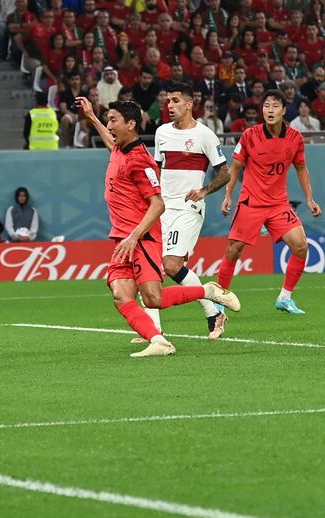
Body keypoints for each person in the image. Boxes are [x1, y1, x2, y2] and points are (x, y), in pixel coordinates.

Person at [75, 95, 241, 357]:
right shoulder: (121, 149)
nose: (109, 126)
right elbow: (112, 145)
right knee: (121, 294)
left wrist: (134, 237)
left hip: (142, 239)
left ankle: (208, 291)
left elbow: (157, 204)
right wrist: (91, 117)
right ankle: (158, 340)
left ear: (130, 124)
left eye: (113, 120)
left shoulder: (140, 160)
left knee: (153, 298)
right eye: (107, 120)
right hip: (123, 239)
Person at [137, 83, 231, 342]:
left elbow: (225, 173)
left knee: (171, 264)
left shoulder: (205, 135)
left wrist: (204, 190)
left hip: (188, 208)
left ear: (189, 104)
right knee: (152, 267)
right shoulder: (161, 132)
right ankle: (155, 330)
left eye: (176, 101)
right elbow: (156, 169)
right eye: (168, 101)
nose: (170, 106)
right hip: (162, 208)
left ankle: (212, 308)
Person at [218, 89, 322, 314]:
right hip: (251, 202)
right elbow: (235, 168)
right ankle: (220, 300)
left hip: (278, 204)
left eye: (275, 106)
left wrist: (310, 199)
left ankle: (285, 298)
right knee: (233, 250)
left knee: (301, 246)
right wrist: (228, 195)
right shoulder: (249, 135)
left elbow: (301, 168)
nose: (270, 110)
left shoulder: (295, 138)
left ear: (284, 110)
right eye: (266, 106)